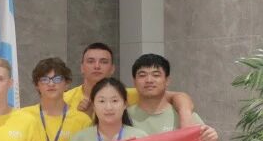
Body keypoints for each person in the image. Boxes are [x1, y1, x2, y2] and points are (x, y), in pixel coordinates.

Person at [64, 42, 195, 121]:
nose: (97, 66)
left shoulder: (129, 94)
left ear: (112, 69)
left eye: (103, 62)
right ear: (81, 67)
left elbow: (178, 96)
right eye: (91, 61)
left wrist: (186, 116)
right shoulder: (65, 99)